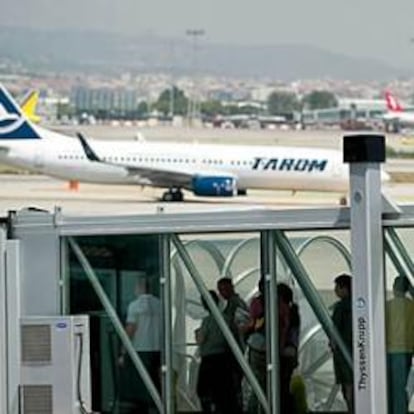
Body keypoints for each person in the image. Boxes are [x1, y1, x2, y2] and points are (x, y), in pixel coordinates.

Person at [119, 275, 162, 414]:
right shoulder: (160, 304)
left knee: (140, 385)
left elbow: (131, 329)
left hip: (140, 349)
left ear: (140, 288)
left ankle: (142, 409)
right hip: (157, 349)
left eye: (136, 287)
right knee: (155, 381)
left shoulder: (134, 305)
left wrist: (123, 351)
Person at [195, 290, 238, 413]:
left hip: (209, 360)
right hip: (224, 358)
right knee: (223, 393)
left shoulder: (207, 321)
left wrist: (198, 334)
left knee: (203, 390)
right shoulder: (227, 319)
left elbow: (201, 340)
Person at [217, 277, 249, 410]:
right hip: (235, 349)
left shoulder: (236, 304)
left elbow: (239, 326)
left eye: (223, 289)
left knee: (234, 381)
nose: (222, 293)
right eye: (220, 290)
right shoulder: (233, 303)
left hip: (235, 350)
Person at [386, 275, 414, 414]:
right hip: (406, 349)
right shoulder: (412, 306)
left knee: (388, 386)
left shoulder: (387, 306)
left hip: (388, 349)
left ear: (394, 287)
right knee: (400, 386)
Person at [331, 273, 353, 414]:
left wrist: (333, 344)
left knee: (347, 384)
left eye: (337, 287)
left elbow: (334, 329)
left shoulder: (340, 308)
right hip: (355, 349)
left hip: (343, 351)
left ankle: (352, 408)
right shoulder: (358, 304)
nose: (335, 290)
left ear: (344, 288)